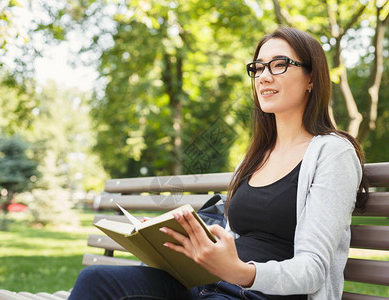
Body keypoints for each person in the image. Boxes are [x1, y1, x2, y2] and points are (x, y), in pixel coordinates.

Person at [69, 27, 368, 300]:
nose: (264, 76)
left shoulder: (333, 153)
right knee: (96, 279)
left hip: (259, 294)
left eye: (279, 65)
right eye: (259, 67)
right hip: (211, 284)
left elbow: (313, 269)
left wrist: (240, 272)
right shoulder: (256, 156)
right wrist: (171, 238)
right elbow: (230, 237)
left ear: (312, 78)